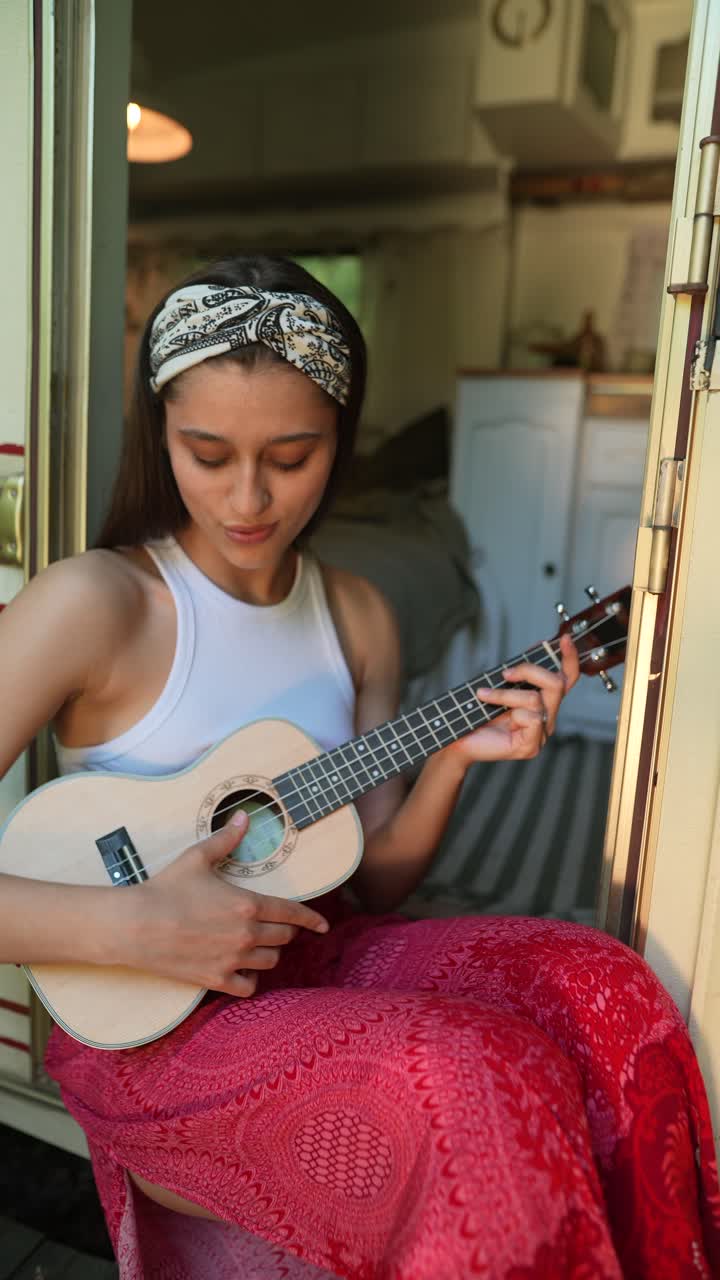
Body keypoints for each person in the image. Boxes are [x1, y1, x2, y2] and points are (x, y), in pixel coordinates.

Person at [0, 255, 718, 1280]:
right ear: (162, 433)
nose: (248, 497)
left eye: (290, 455)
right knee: (466, 1075)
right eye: (208, 453)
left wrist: (455, 760)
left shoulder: (362, 615)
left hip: (313, 954)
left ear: (340, 439)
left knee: (603, 990)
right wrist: (129, 922)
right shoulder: (97, 602)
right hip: (149, 1026)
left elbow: (371, 878)